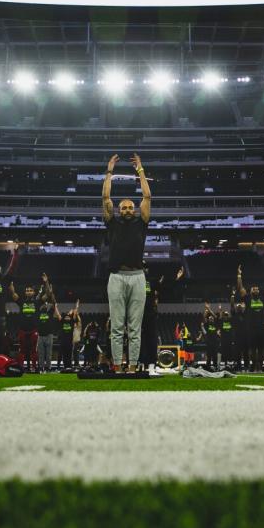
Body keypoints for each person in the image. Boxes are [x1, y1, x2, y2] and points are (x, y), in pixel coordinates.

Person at [102, 153, 152, 373]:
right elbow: (105, 199)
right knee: (117, 327)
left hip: (138, 276)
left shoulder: (142, 222)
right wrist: (109, 172)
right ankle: (117, 367)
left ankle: (132, 368)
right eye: (124, 207)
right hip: (116, 277)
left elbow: (148, 197)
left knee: (135, 328)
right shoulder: (112, 222)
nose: (128, 210)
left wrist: (140, 169)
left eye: (131, 207)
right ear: (118, 210)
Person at [141, 266, 184, 375]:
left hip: (149, 315)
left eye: (146, 267)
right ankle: (138, 366)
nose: (145, 269)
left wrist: (176, 280)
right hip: (136, 314)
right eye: (142, 267)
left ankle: (151, 367)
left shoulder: (151, 281)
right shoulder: (133, 281)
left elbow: (165, 290)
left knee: (151, 340)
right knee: (139, 341)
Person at [236, 263, 264, 372]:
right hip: (251, 327)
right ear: (250, 291)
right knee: (252, 349)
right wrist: (239, 275)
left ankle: (260, 365)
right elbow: (240, 288)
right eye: (254, 289)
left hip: (261, 327)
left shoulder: (263, 298)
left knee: (262, 349)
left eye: (257, 289)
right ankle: (253, 365)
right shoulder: (247, 298)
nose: (256, 290)